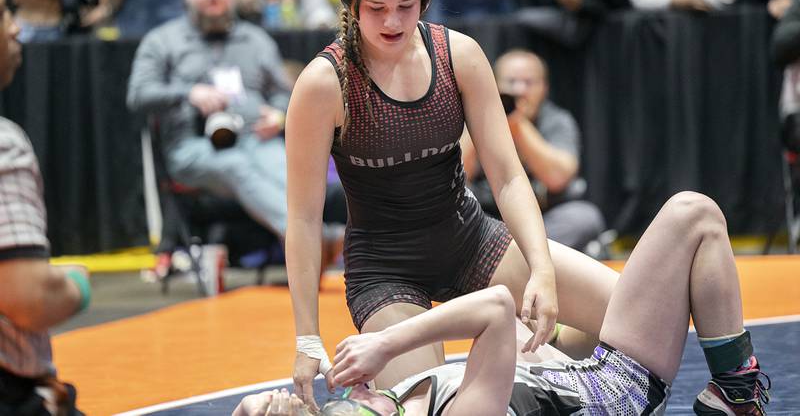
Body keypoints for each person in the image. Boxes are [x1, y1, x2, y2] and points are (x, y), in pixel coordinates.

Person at [285, 0, 620, 410]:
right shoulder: (324, 82)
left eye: (406, 6)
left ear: (425, 0)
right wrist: (306, 337)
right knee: (427, 404)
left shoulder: (457, 54)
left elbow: (506, 176)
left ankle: (539, 360)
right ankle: (515, 367)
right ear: (351, 4)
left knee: (631, 312)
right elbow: (301, 217)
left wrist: (542, 270)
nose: (392, 22)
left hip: (470, 240)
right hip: (385, 271)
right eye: (376, 8)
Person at [236, 192, 771, 416]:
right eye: (363, 404)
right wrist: (386, 342)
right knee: (693, 213)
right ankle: (738, 393)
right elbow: (493, 305)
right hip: (614, 388)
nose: (365, 394)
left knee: (518, 335)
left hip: (547, 363)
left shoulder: (395, 402)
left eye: (356, 400)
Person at [126, 0, 294, 254]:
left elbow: (285, 92)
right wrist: (188, 93)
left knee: (288, 169)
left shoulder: (256, 40)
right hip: (192, 147)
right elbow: (138, 94)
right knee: (236, 165)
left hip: (256, 138)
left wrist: (280, 114)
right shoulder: (162, 40)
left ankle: (320, 241)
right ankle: (308, 243)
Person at [0, 0, 92, 413]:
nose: (13, 26)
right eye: (1, 13)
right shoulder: (4, 145)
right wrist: (78, 286)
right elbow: (29, 298)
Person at [461, 49, 606, 253]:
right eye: (511, 82)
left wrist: (518, 125)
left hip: (543, 220)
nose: (520, 90)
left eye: (529, 82)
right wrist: (483, 122)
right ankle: (519, 255)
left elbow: (558, 178)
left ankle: (509, 256)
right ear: (493, 84)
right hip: (488, 219)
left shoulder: (557, 121)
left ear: (544, 88)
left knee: (584, 218)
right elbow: (457, 173)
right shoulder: (474, 116)